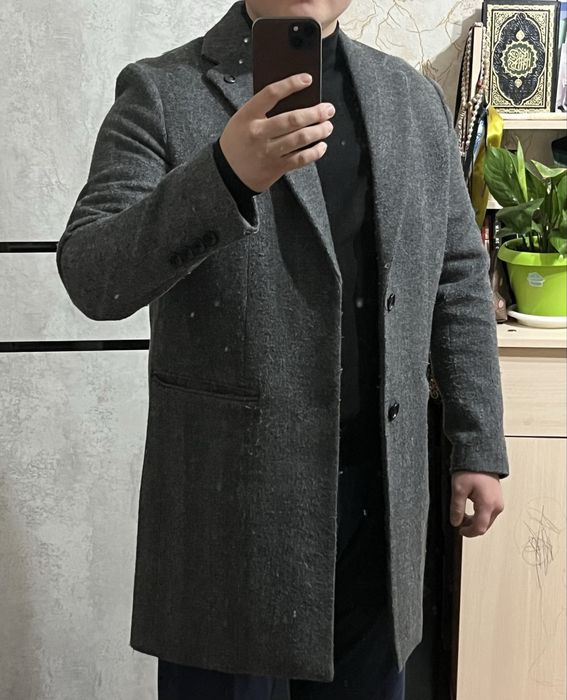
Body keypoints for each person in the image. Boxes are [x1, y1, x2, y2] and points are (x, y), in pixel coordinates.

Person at [56, 1, 509, 698]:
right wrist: (224, 175)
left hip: (381, 508)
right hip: (228, 516)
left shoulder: (410, 98)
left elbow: (456, 275)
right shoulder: (161, 90)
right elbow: (93, 275)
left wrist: (476, 442)